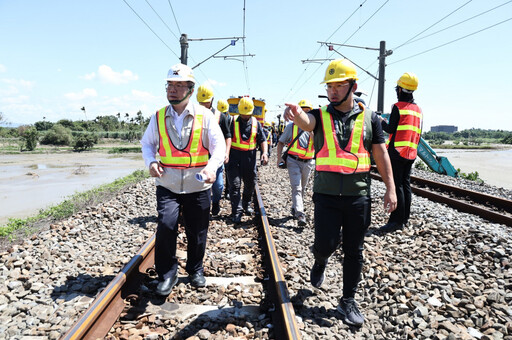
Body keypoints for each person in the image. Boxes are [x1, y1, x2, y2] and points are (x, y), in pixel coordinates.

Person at [283, 59, 397, 326]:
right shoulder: (320, 116)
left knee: (355, 250)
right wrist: (297, 113)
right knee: (326, 243)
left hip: (359, 196)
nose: (333, 91)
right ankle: (320, 259)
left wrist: (391, 189)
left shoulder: (371, 119)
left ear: (353, 87)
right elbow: (306, 122)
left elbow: (381, 154)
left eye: (339, 85)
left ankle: (347, 300)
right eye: (329, 86)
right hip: (326, 197)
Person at [140, 63, 226, 295]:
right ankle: (167, 274)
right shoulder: (158, 117)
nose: (173, 90)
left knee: (197, 230)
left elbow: (219, 149)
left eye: (179, 85)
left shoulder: (205, 116)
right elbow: (147, 144)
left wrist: (211, 167)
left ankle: (195, 269)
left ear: (190, 89)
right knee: (166, 225)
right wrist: (151, 162)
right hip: (167, 184)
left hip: (197, 185)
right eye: (170, 85)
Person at [379, 72, 422, 232]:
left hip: (397, 152)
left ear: (399, 90)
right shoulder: (418, 110)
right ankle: (404, 219)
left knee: (396, 186)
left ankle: (395, 221)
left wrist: (381, 121)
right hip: (410, 153)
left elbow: (390, 128)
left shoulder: (398, 108)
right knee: (405, 185)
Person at [227, 97, 268, 223]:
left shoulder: (256, 123)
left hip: (249, 159)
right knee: (235, 185)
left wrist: (264, 153)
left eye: (247, 114)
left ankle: (246, 204)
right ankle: (236, 211)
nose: (245, 116)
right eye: (243, 114)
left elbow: (262, 140)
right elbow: (226, 138)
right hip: (233, 158)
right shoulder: (232, 121)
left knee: (250, 183)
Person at [276, 99, 315, 226]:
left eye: (307, 111)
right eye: (302, 111)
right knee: (297, 188)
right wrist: (279, 158)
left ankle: (295, 207)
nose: (304, 114)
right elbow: (281, 142)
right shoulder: (291, 127)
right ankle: (300, 213)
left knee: (302, 188)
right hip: (294, 161)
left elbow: (319, 145)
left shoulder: (314, 129)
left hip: (308, 162)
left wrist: (311, 132)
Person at [196, 84, 232, 217]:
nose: (203, 105)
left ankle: (216, 201)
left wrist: (226, 153)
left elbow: (228, 136)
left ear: (211, 100)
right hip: (198, 156)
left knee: (218, 185)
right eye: (201, 102)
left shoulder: (220, 116)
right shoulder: (193, 113)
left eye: (206, 102)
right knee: (199, 184)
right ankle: (202, 209)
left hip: (215, 157)